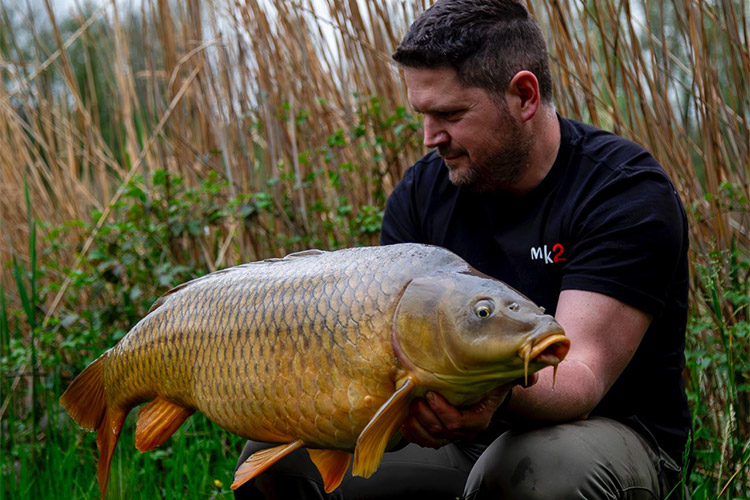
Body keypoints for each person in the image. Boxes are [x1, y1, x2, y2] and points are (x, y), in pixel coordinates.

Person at [234, 1, 690, 498]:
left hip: (606, 434)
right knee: (277, 458)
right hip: (462, 444)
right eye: (423, 115)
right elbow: (389, 352)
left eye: (450, 114)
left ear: (524, 95)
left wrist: (478, 387)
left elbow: (578, 375)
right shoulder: (422, 192)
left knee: (538, 469)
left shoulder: (622, 194)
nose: (431, 138)